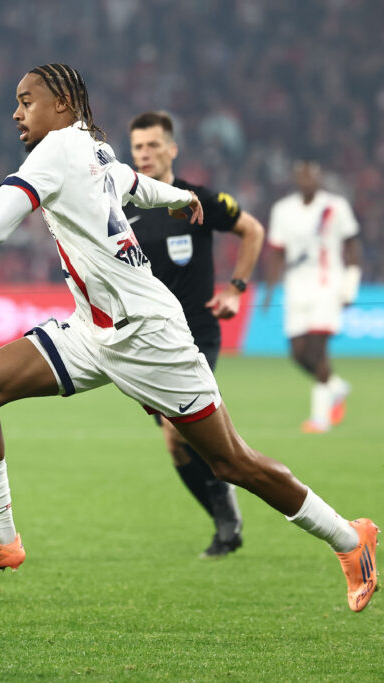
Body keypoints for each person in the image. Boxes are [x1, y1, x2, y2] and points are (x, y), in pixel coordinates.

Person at [0, 64, 379, 613]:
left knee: (231, 462)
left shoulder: (54, 152)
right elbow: (131, 183)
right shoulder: (91, 148)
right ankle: (0, 538)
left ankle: (350, 539)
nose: (16, 113)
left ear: (62, 104)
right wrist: (177, 198)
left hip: (149, 336)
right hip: (93, 331)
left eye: (26, 101)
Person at [126, 111, 265, 558]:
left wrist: (236, 288)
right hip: (148, 339)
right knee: (178, 445)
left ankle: (227, 516)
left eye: (152, 145)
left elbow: (252, 230)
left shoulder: (197, 200)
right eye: (138, 147)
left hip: (195, 334)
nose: (144, 153)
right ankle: (225, 517)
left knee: (176, 428)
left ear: (172, 149)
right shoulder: (122, 208)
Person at [266, 161, 362, 433]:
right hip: (296, 287)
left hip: (327, 284)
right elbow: (277, 252)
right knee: (298, 352)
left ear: (319, 179)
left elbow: (352, 245)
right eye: (303, 176)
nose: (307, 181)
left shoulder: (335, 206)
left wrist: (350, 285)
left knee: (318, 349)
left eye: (312, 176)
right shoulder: (282, 210)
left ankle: (320, 418)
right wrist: (269, 289)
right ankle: (336, 387)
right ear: (296, 179)